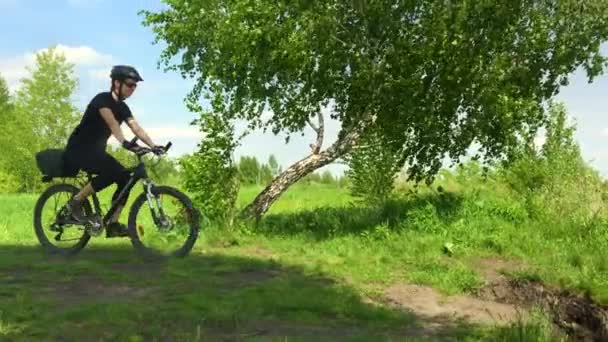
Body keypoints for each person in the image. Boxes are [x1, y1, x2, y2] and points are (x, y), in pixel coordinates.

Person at [63, 65, 165, 237]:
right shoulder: (101, 100)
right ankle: (75, 202)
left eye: (135, 86)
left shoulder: (123, 108)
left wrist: (153, 145)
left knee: (125, 177)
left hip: (96, 152)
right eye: (130, 84)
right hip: (79, 150)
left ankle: (112, 224)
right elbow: (113, 124)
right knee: (112, 172)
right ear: (116, 83)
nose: (133, 89)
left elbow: (135, 127)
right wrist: (124, 142)